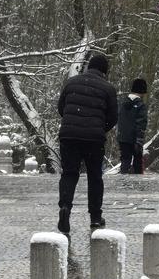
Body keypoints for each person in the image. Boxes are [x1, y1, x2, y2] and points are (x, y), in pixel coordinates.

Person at [56, 51, 118, 236]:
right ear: (104, 71)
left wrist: (72, 124)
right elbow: (113, 117)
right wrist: (99, 127)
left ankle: (65, 207)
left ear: (89, 67)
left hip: (69, 136)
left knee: (69, 174)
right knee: (94, 177)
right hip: (94, 138)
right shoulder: (107, 88)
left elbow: (61, 108)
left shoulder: (71, 82)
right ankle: (95, 217)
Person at [117, 78, 149, 174]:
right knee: (137, 163)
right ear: (142, 92)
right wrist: (139, 140)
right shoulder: (140, 105)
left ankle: (123, 183)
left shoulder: (122, 103)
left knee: (125, 161)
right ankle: (137, 186)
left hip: (123, 138)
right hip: (135, 139)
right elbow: (141, 123)